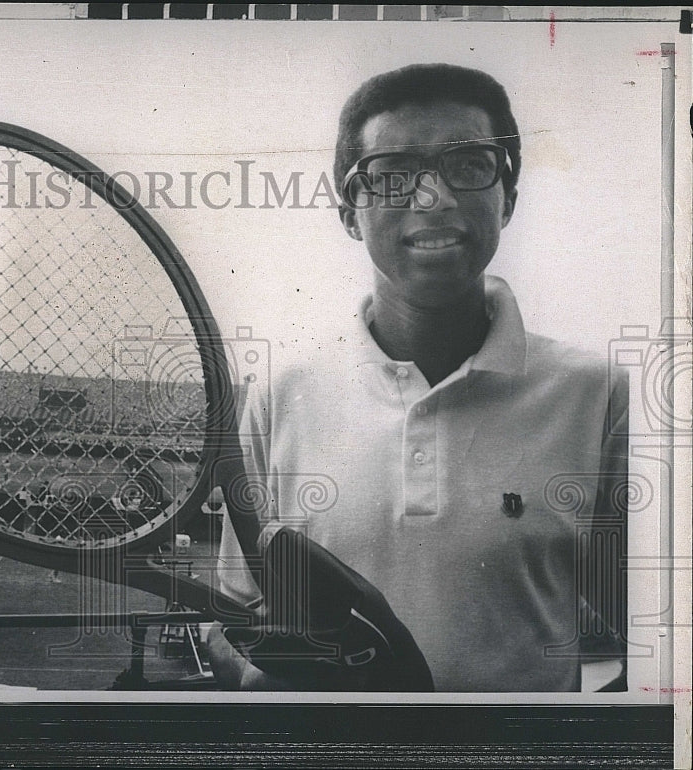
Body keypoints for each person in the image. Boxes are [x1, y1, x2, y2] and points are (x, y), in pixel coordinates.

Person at [207, 63, 628, 692]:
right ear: (349, 211)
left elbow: (649, 639)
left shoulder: (598, 395)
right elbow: (231, 618)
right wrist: (260, 675)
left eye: (469, 165)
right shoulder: (279, 395)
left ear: (508, 198)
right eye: (393, 174)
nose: (432, 198)